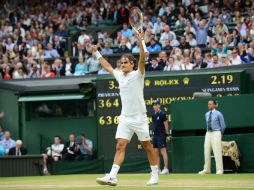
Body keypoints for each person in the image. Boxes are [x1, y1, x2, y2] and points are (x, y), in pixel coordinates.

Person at [93, 32, 159, 186]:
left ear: (132, 64)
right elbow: (107, 66)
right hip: (125, 118)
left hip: (140, 117)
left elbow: (142, 59)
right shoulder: (119, 75)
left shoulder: (138, 74)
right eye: (121, 63)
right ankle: (112, 176)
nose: (122, 65)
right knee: (120, 145)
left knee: (147, 146)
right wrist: (96, 52)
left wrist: (141, 40)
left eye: (125, 62)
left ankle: (155, 174)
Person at [199, 99, 226, 175]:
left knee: (217, 152)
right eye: (208, 104)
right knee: (206, 151)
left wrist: (219, 134)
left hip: (216, 133)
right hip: (208, 133)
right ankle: (206, 170)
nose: (209, 105)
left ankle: (220, 170)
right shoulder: (206, 114)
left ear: (214, 105)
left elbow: (223, 126)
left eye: (210, 104)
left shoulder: (219, 114)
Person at [151, 100, 170, 175]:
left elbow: (165, 123)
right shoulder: (153, 115)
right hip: (155, 135)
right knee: (156, 152)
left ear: (159, 105)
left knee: (163, 151)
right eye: (153, 105)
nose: (154, 106)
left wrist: (166, 132)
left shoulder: (162, 114)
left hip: (161, 134)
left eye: (156, 105)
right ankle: (158, 169)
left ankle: (166, 169)